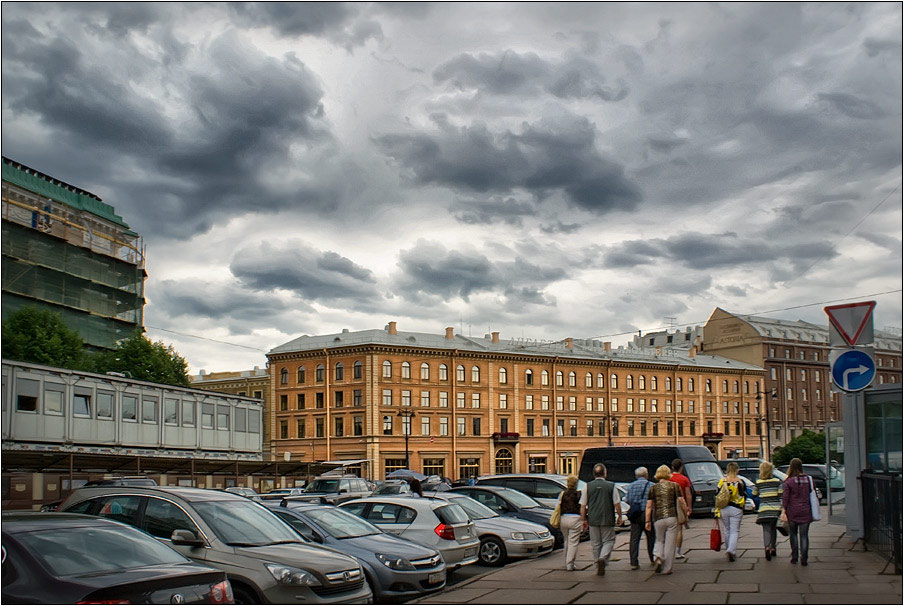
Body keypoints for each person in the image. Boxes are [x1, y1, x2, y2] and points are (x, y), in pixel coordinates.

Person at [580, 463, 622, 576]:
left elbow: (583, 505)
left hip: (593, 518)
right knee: (609, 541)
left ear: (594, 474)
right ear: (605, 473)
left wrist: (583, 520)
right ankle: (603, 558)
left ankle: (597, 563)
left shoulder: (587, 486)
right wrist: (620, 516)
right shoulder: (611, 486)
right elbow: (617, 504)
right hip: (607, 518)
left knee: (595, 543)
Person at [646, 464, 687, 575]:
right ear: (669, 474)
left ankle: (658, 557)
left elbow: (649, 506)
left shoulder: (652, 488)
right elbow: (681, 501)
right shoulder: (675, 486)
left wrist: (647, 521)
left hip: (658, 518)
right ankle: (667, 568)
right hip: (672, 517)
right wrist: (686, 513)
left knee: (659, 540)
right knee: (670, 543)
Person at [781, 457, 815, 566]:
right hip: (806, 509)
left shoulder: (788, 481)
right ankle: (804, 558)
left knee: (793, 534)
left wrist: (784, 510)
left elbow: (785, 497)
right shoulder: (808, 479)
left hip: (792, 510)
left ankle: (794, 557)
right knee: (804, 535)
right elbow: (811, 492)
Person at [625, 466, 655, 570]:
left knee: (634, 539)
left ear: (636, 476)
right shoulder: (652, 485)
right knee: (651, 537)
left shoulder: (631, 486)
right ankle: (653, 558)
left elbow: (627, 500)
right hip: (648, 514)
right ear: (646, 475)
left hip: (635, 514)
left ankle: (634, 562)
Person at [715, 461, 746, 561]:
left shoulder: (722, 481)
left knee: (727, 530)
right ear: (737, 470)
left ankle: (728, 548)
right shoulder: (740, 481)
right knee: (734, 530)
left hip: (724, 508)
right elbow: (744, 494)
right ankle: (731, 550)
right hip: (736, 508)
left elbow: (717, 494)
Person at [754, 460, 783, 560]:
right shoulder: (777, 482)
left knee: (766, 530)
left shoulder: (758, 483)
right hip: (775, 511)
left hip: (763, 511)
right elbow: (780, 496)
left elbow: (754, 494)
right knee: (773, 529)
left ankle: (766, 547)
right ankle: (773, 548)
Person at [669, 459, 693, 560]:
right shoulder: (684, 479)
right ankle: (678, 552)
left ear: (672, 467)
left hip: (669, 505)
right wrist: (689, 507)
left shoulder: (667, 478)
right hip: (680, 504)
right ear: (681, 468)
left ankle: (668, 551)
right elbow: (688, 495)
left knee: (669, 530)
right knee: (679, 529)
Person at [559, 475, 583, 571]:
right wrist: (584, 518)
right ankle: (570, 564)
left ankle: (566, 561)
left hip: (563, 518)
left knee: (566, 540)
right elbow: (582, 507)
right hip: (575, 518)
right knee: (573, 542)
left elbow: (558, 506)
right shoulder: (578, 494)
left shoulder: (562, 494)